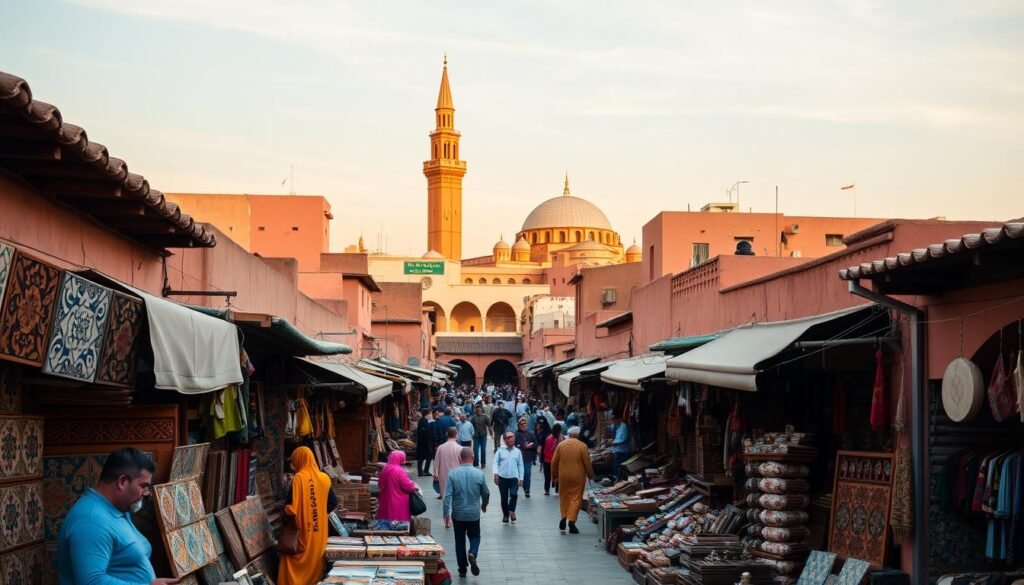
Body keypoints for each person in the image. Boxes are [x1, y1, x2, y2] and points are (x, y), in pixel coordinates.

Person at [58, 447, 179, 585]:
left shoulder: (117, 509)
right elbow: (92, 582)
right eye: (143, 485)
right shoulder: (90, 521)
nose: (147, 493)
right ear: (122, 482)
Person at [279, 446, 332, 585]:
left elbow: (290, 507)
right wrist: (317, 511)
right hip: (319, 530)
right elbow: (332, 502)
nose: (292, 465)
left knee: (290, 561)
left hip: (301, 530)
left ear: (300, 459)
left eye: (294, 461)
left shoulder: (298, 478)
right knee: (314, 559)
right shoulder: (325, 478)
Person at [443, 447, 490, 578]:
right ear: (473, 458)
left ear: (459, 459)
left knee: (459, 541)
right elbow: (486, 493)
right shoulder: (479, 474)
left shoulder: (452, 474)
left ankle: (462, 569)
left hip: (458, 514)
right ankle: (473, 553)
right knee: (475, 536)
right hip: (473, 514)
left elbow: (448, 496)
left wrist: (446, 513)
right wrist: (484, 505)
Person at [551, 426, 594, 534]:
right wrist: (590, 475)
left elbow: (554, 462)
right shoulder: (582, 446)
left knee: (564, 496)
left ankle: (564, 516)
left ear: (569, 434)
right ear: (578, 435)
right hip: (578, 476)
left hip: (563, 476)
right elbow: (587, 463)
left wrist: (554, 476)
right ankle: (572, 520)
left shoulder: (561, 445)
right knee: (576, 498)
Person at [377, 451, 421, 522]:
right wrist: (414, 485)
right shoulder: (399, 471)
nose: (403, 461)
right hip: (398, 501)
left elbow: (380, 484)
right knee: (398, 522)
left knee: (386, 520)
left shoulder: (385, 469)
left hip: (385, 500)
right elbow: (408, 486)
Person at [492, 431, 524, 523]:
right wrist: (496, 474)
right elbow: (495, 463)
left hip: (514, 477)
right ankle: (506, 515)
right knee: (504, 498)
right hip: (502, 477)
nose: (512, 439)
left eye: (513, 437)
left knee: (514, 494)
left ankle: (511, 510)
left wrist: (521, 478)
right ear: (505, 440)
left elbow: (520, 465)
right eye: (509, 438)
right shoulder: (500, 450)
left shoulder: (517, 452)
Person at [433, 427, 463, 501]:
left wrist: (435, 473)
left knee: (445, 495)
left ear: (447, 434)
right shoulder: (460, 448)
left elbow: (436, 462)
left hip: (443, 474)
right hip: (457, 474)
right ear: (456, 435)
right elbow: (463, 463)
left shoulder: (440, 447)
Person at [513, 418, 538, 497]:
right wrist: (520, 446)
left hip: (528, 457)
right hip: (518, 458)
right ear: (519, 426)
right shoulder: (516, 434)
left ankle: (527, 490)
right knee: (516, 474)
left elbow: (535, 443)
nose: (524, 425)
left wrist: (531, 445)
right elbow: (513, 445)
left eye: (525, 424)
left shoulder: (531, 433)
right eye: (522, 424)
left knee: (527, 474)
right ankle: (514, 489)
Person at [541, 423, 564, 496]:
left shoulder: (548, 438)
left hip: (547, 460)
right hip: (556, 461)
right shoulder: (561, 439)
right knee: (557, 475)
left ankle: (547, 490)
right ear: (559, 431)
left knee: (547, 476)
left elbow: (543, 450)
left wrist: (542, 460)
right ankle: (557, 490)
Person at [606, 411, 631, 477]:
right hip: (618, 451)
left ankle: (619, 480)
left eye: (613, 420)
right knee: (616, 467)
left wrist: (613, 443)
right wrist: (612, 441)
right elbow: (618, 438)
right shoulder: (618, 427)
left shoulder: (623, 426)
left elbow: (623, 439)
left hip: (622, 451)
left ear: (618, 419)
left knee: (618, 468)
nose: (612, 422)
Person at [416, 409, 434, 476]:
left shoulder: (424, 420)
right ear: (428, 414)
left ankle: (423, 471)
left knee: (424, 457)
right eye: (430, 414)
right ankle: (422, 471)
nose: (431, 415)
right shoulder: (423, 421)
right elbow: (423, 432)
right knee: (423, 457)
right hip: (424, 443)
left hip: (424, 443)